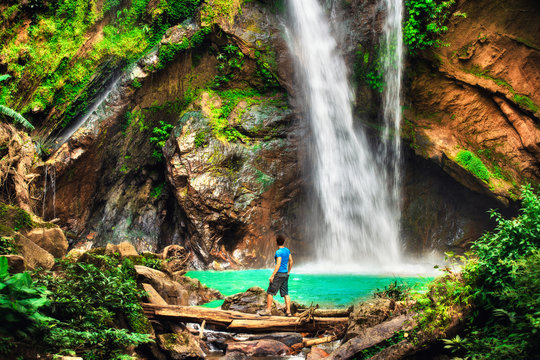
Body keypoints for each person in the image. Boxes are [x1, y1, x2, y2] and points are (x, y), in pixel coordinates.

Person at [259, 234, 293, 316]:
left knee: (270, 292)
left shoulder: (278, 252)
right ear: (283, 242)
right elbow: (291, 261)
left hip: (279, 274)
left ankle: (268, 311)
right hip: (285, 274)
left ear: (276, 243)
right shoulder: (287, 250)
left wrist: (272, 275)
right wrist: (288, 272)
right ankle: (288, 312)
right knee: (286, 293)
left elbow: (278, 264)